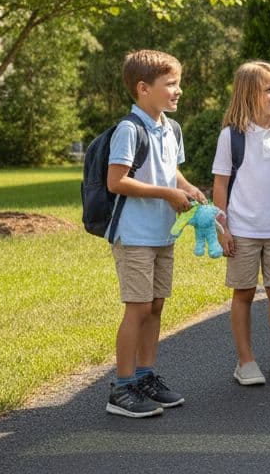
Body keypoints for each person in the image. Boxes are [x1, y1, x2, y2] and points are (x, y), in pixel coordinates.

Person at [105, 49, 206, 418]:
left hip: (163, 234)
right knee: (138, 308)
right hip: (134, 235)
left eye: (178, 83)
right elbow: (116, 181)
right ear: (143, 88)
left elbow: (170, 173)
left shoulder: (170, 128)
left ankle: (145, 377)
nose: (178, 90)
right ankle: (122, 386)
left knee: (157, 304)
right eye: (171, 84)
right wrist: (167, 194)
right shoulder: (129, 130)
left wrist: (188, 188)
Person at [212, 61, 270, 386]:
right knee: (244, 293)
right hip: (243, 231)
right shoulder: (232, 136)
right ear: (248, 94)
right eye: (269, 89)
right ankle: (246, 361)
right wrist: (222, 227)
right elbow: (221, 185)